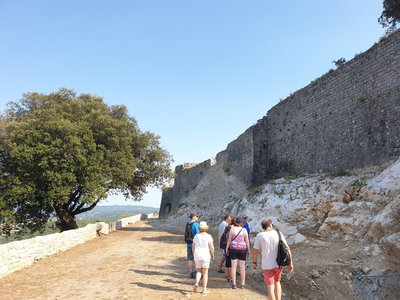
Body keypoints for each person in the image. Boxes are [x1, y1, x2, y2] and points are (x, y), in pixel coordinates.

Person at [252, 218, 294, 300]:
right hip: (278, 264)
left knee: (270, 287)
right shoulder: (278, 233)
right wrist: (290, 263)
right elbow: (287, 248)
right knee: (277, 283)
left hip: (266, 265)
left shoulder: (259, 236)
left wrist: (254, 262)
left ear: (262, 227)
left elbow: (255, 252)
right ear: (270, 225)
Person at [226, 216, 250, 289]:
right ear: (241, 222)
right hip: (242, 249)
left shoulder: (232, 229)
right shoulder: (244, 230)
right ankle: (243, 284)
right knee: (242, 267)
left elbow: (229, 240)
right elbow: (247, 241)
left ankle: (234, 284)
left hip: (233, 249)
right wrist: (248, 250)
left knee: (234, 267)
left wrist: (227, 248)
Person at [192, 221, 215, 295]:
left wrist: (194, 255)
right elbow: (212, 247)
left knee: (198, 270)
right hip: (205, 255)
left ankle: (196, 283)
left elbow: (193, 247)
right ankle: (204, 289)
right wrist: (212, 255)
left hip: (197, 255)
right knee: (205, 273)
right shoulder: (208, 236)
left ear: (199, 228)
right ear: (206, 228)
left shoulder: (196, 236)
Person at [186, 212, 199, 278]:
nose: (197, 217)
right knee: (196, 258)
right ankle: (196, 272)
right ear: (194, 217)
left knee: (189, 259)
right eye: (197, 216)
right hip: (195, 244)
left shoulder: (187, 223)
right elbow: (197, 234)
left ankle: (191, 273)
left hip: (188, 244)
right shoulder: (196, 224)